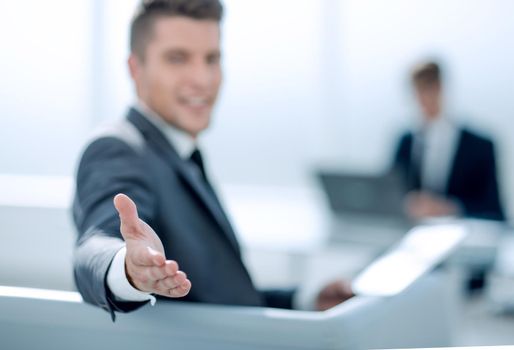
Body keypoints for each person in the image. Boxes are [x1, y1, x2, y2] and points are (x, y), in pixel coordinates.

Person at [73, 0, 353, 320]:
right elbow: (94, 247)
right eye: (177, 59)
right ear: (136, 69)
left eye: (212, 59)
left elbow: (219, 296)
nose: (202, 79)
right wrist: (126, 266)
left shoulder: (182, 154)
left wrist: (305, 300)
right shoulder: (117, 149)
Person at [392, 60, 505, 222]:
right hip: (415, 232)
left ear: (440, 88)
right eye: (418, 91)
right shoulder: (406, 142)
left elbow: (494, 209)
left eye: (428, 88)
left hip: (463, 233)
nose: (422, 98)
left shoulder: (479, 146)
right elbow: (390, 195)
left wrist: (449, 208)